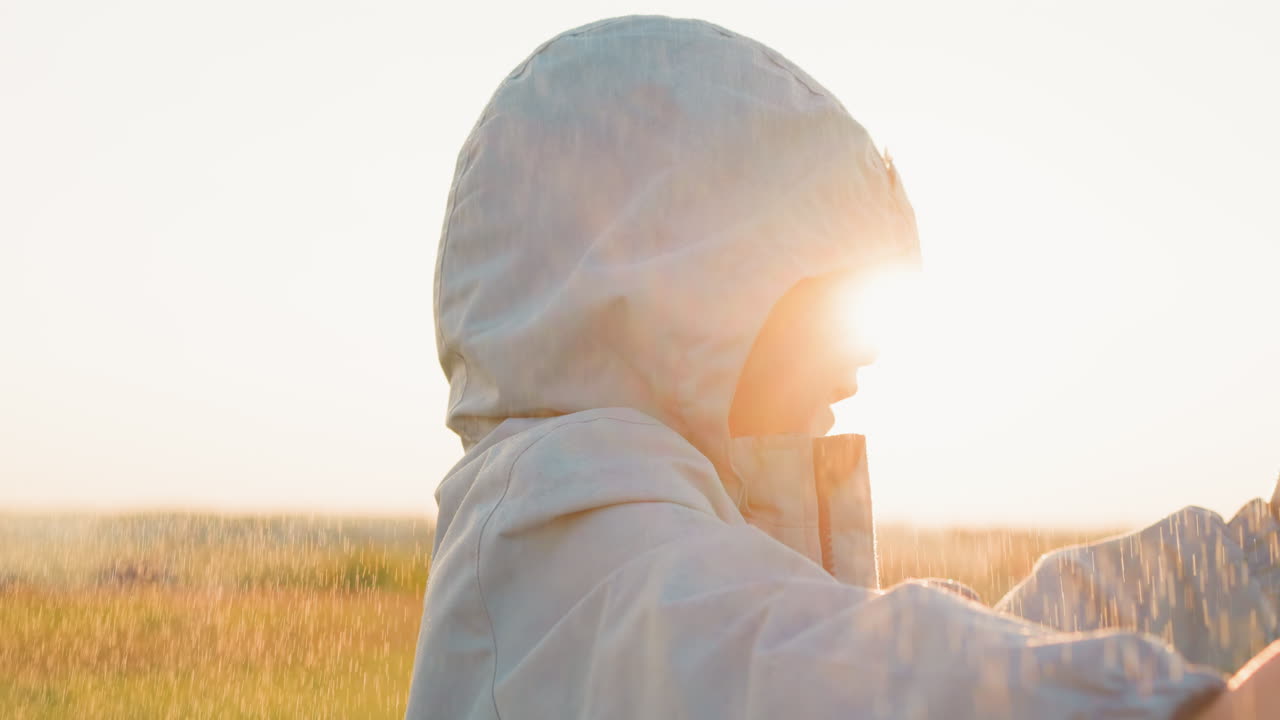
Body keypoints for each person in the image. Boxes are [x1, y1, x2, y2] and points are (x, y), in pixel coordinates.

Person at [407, 15, 1280, 719]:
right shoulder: (567, 554)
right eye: (826, 300)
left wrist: (1257, 557)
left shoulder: (657, 552)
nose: (857, 367)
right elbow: (830, 680)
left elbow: (967, 642)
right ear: (672, 289)